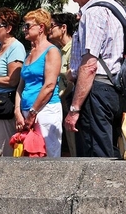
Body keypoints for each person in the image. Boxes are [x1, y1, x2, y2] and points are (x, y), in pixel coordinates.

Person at [63, 0, 125, 158]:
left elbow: (90, 65)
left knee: (94, 157)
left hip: (95, 91)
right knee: (108, 150)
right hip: (114, 89)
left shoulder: (94, 12)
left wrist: (74, 109)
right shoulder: (117, 8)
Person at [15, 8, 63, 157]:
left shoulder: (51, 51)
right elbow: (21, 85)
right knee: (29, 155)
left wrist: (33, 112)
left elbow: (49, 85)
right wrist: (17, 110)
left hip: (45, 110)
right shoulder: (29, 53)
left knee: (49, 155)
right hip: (27, 111)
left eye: (28, 26)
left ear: (41, 27)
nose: (24, 30)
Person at [0, 7, 26, 156]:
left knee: (5, 149)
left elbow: (12, 80)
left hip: (5, 106)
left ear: (8, 28)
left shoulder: (16, 48)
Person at [49, 12, 78, 157]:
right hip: (61, 104)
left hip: (69, 103)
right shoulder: (58, 50)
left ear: (63, 28)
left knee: (73, 147)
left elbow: (72, 77)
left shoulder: (74, 48)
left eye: (52, 26)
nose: (49, 29)